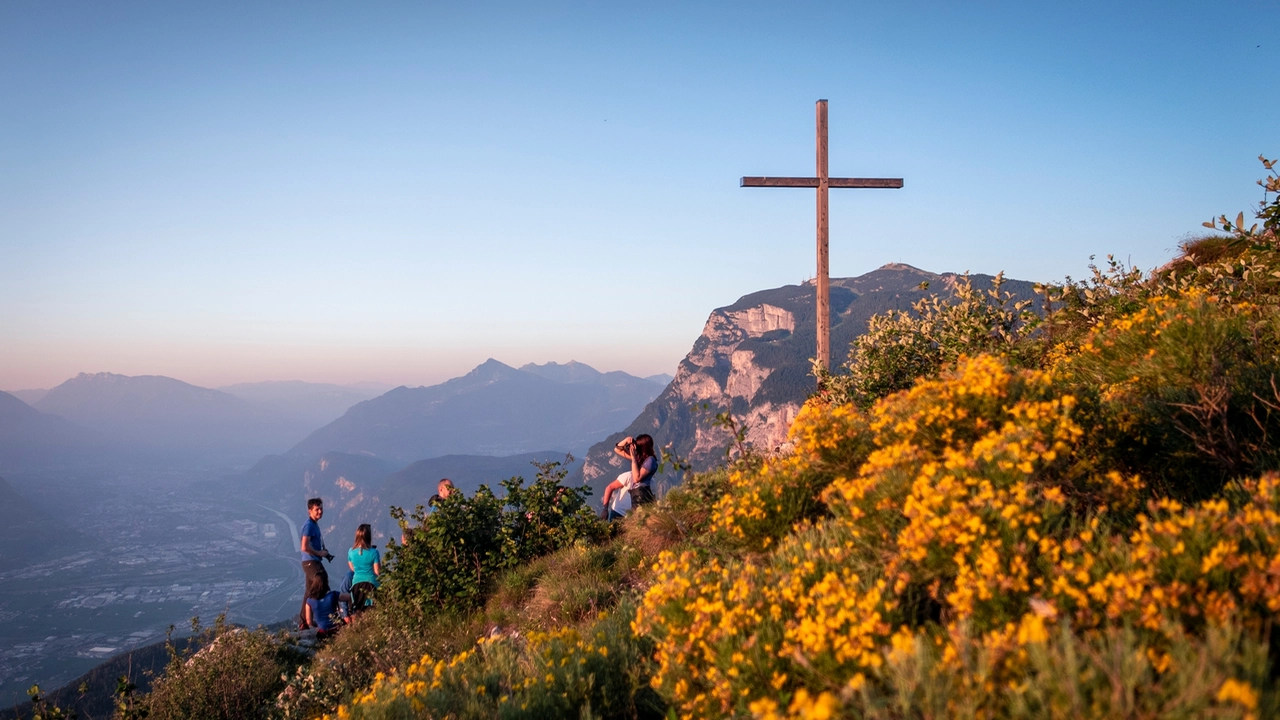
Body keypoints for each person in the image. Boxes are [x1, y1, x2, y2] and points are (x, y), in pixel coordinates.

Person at [298, 497, 334, 630]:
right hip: (311, 561)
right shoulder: (308, 526)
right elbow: (304, 547)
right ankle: (326, 618)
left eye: (321, 509)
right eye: (316, 509)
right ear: (309, 511)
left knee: (309, 590)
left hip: (310, 561)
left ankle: (304, 622)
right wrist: (319, 553)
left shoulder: (313, 524)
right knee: (322, 580)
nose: (320, 511)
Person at [400, 479, 457, 544]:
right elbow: (430, 526)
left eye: (453, 488)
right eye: (449, 488)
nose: (453, 491)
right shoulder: (438, 508)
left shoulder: (445, 507)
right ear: (441, 489)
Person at [613, 434, 657, 507]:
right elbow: (617, 450)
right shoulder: (639, 459)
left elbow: (637, 478)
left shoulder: (650, 460)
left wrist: (633, 458)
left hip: (643, 493)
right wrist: (626, 440)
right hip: (635, 494)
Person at [303, 571, 351, 638]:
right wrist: (349, 611)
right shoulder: (333, 595)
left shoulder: (309, 601)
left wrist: (318, 625)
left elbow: (309, 622)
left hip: (322, 632)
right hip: (337, 629)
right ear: (326, 582)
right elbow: (349, 597)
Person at [348, 523, 381, 614]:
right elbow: (377, 571)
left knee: (358, 611)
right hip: (371, 584)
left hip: (356, 585)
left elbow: (352, 568)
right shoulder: (374, 552)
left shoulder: (350, 552)